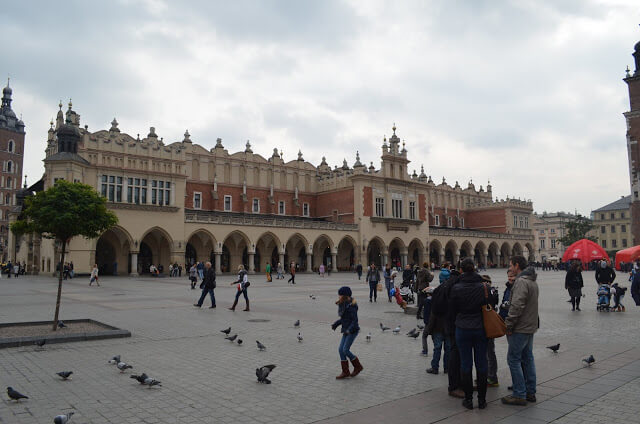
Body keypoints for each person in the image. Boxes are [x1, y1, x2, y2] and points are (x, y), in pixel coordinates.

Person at [448, 258, 488, 410]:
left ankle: (469, 400)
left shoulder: (456, 288)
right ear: (475, 268)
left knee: (465, 364)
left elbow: (452, 311)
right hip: (480, 328)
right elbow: (490, 305)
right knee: (481, 363)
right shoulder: (484, 286)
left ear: (461, 270)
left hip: (462, 329)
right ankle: (482, 401)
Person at [502, 255, 539, 406]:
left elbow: (516, 306)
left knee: (513, 359)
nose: (510, 268)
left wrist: (508, 325)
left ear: (517, 266)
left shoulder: (521, 282)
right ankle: (530, 391)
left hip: (520, 327)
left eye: (511, 265)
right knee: (527, 358)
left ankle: (519, 394)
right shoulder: (532, 281)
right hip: (530, 326)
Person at [331, 286, 363, 379]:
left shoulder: (351, 306)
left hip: (352, 330)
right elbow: (344, 319)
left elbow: (354, 321)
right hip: (346, 330)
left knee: (345, 349)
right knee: (341, 350)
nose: (339, 296)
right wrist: (336, 324)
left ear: (345, 296)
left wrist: (349, 329)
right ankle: (345, 372)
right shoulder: (343, 304)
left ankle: (358, 367)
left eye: (340, 295)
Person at [426, 283, 450, 374]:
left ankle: (435, 367)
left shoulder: (436, 303)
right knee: (447, 349)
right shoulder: (450, 302)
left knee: (437, 348)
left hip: (438, 329)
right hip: (447, 329)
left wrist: (429, 330)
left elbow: (432, 318)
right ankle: (447, 368)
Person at [482, 274, 500, 388]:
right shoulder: (492, 291)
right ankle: (488, 375)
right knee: (488, 352)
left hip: (486, 325)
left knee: (489, 352)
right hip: (488, 325)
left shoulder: (488, 293)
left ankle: (492, 377)